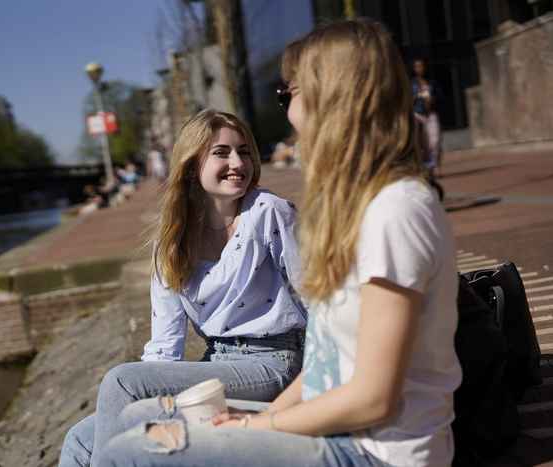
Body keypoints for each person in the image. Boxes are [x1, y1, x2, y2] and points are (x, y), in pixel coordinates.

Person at [96, 18, 461, 467]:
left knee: (134, 451)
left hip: (375, 453)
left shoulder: (395, 211)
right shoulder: (357, 211)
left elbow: (374, 399)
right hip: (334, 429)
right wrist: (254, 419)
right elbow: (324, 362)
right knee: (138, 419)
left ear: (332, 99)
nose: (287, 112)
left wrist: (255, 428)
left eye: (289, 94)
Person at [59, 109, 307, 466]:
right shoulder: (172, 242)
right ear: (192, 166)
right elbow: (164, 346)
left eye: (244, 152)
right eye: (221, 153)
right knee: (80, 438)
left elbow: (316, 299)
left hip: (273, 363)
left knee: (121, 382)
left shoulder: (268, 212)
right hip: (217, 364)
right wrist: (146, 389)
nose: (238, 163)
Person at [412, 58, 443, 176]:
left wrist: (433, 99)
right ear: (414, 69)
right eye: (417, 66)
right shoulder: (412, 84)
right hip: (418, 115)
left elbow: (440, 97)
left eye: (422, 66)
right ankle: (427, 168)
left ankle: (435, 165)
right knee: (422, 144)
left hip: (431, 115)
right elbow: (407, 100)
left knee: (435, 141)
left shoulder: (432, 83)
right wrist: (417, 96)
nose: (420, 69)